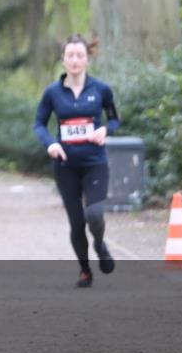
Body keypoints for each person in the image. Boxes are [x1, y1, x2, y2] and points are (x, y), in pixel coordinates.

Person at [33, 34, 120, 288]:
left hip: (95, 163)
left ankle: (100, 245)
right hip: (65, 166)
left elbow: (114, 119)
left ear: (87, 59)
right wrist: (51, 143)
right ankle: (85, 270)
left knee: (94, 214)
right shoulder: (52, 92)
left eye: (79, 55)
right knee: (77, 222)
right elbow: (39, 123)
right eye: (70, 55)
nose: (74, 60)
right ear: (63, 60)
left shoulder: (101, 90)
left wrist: (106, 130)